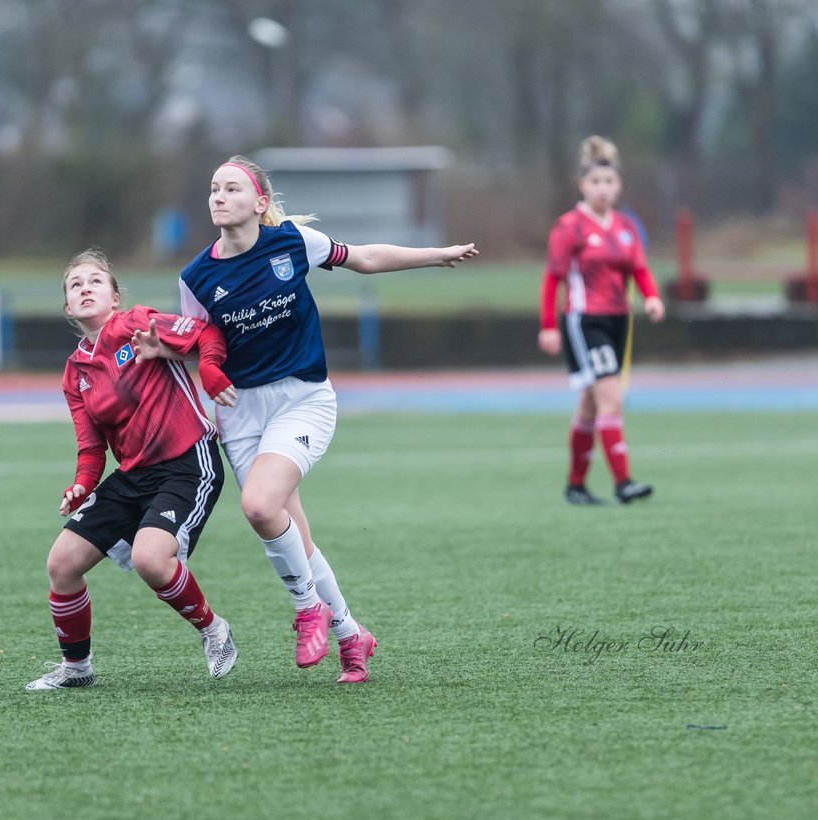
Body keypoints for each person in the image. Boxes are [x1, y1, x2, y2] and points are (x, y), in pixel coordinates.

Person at [166, 155, 478, 684]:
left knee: (260, 506)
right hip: (240, 413)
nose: (219, 196)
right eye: (213, 188)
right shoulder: (196, 277)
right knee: (294, 537)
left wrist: (434, 255)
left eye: (232, 188)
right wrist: (170, 355)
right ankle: (351, 636)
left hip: (302, 399)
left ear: (259, 201)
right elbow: (199, 340)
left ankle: (309, 610)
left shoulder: (291, 242)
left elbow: (365, 257)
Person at [25, 249, 237, 690]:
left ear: (115, 297)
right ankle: (77, 669)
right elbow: (91, 448)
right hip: (133, 476)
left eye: (95, 281)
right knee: (62, 564)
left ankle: (214, 631)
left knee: (150, 559)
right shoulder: (75, 371)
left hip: (187, 464)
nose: (85, 287)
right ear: (67, 306)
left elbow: (206, 334)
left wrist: (212, 372)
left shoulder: (136, 323)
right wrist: (82, 485)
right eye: (75, 284)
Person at [537, 135, 665, 506]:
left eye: (609, 182)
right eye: (595, 182)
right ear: (582, 185)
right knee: (611, 398)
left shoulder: (625, 226)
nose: (603, 189)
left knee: (591, 406)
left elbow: (639, 269)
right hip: (585, 321)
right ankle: (623, 482)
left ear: (619, 185)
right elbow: (552, 279)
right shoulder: (569, 227)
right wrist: (548, 325)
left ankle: (575, 487)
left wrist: (652, 297)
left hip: (618, 321)